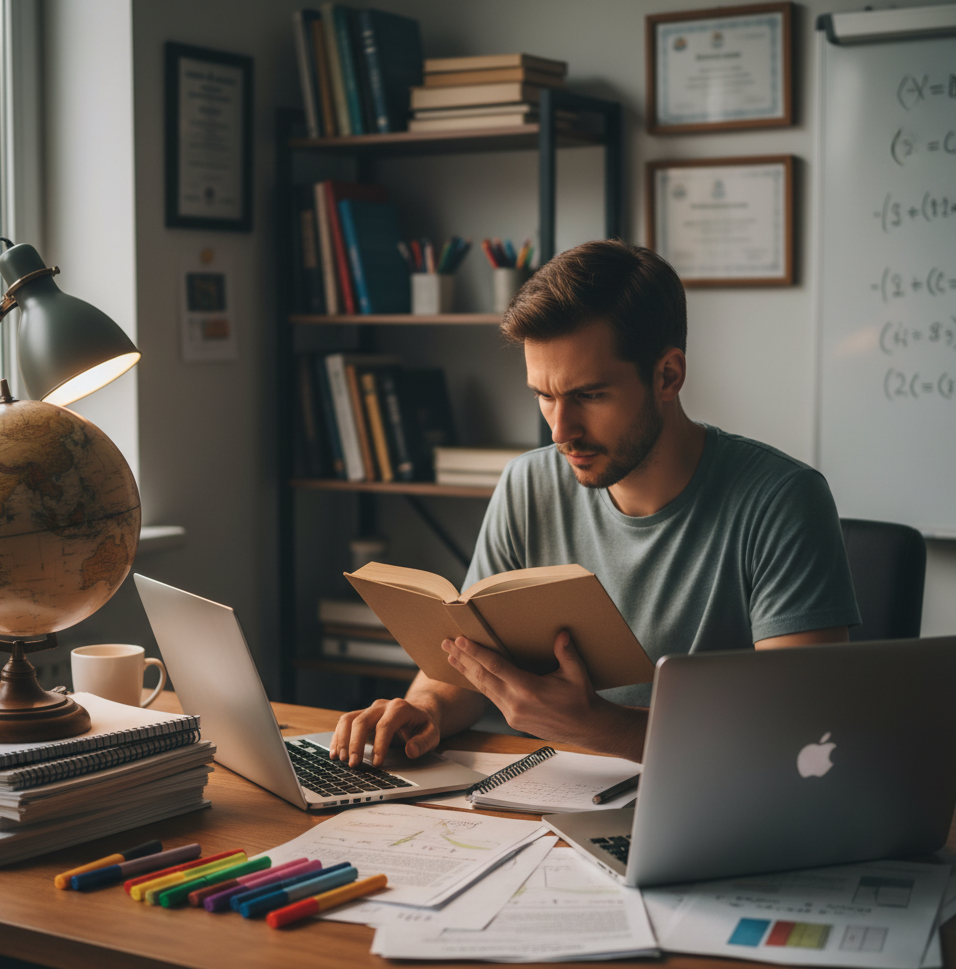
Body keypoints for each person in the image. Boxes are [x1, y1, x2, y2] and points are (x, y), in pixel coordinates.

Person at [331, 240, 860, 767]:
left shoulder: (783, 501)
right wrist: (425, 709)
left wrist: (600, 727)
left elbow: (797, 734)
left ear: (667, 376)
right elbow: (475, 662)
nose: (561, 432)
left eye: (588, 395)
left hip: (715, 809)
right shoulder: (527, 484)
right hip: (552, 798)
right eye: (544, 395)